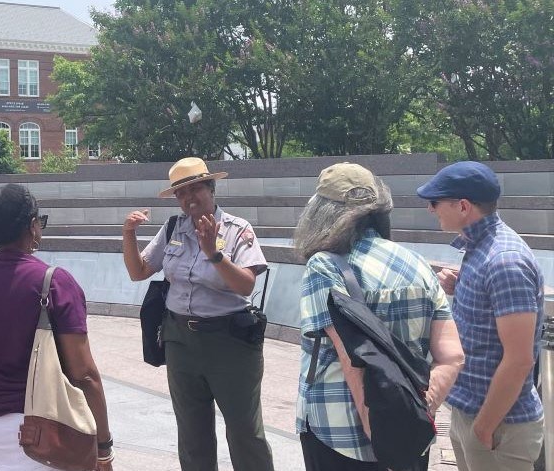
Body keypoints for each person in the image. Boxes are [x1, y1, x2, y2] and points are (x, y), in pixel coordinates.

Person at [294, 162, 465, 470]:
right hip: (411, 439)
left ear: (321, 213)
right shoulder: (416, 264)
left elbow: (353, 364)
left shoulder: (324, 266)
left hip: (341, 437)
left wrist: (382, 440)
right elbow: (452, 357)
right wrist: (414, 414)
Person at [0, 184, 115, 471]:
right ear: (32, 226)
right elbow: (84, 375)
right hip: (45, 432)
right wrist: (104, 447)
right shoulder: (55, 282)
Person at [121, 157, 274, 471]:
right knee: (192, 433)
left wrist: (214, 254)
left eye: (195, 189)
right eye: (180, 193)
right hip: (181, 340)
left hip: (229, 343)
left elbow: (245, 285)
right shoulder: (174, 228)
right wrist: (129, 233)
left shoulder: (236, 229)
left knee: (245, 431)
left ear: (211, 188)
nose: (188, 198)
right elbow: (139, 271)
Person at [417, 161, 545, 471]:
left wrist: (484, 427)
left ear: (462, 206)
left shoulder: (504, 261)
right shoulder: (483, 251)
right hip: (477, 415)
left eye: (435, 202)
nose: (431, 210)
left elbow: (519, 360)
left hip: (499, 425)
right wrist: (461, 286)